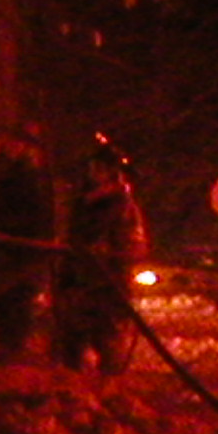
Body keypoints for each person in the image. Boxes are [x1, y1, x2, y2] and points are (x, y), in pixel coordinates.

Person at [53, 134, 148, 374]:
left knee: (108, 343)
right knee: (71, 344)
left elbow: (134, 244)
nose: (95, 173)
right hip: (78, 281)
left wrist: (110, 255)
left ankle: (110, 388)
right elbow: (71, 234)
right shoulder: (82, 202)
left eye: (101, 168)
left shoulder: (122, 205)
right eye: (93, 167)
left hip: (107, 284)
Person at [0, 128, 58, 363]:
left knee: (16, 301)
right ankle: (7, 346)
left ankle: (11, 348)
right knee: (10, 301)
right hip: (13, 248)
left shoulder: (28, 177)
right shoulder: (18, 174)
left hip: (19, 248)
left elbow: (35, 214)